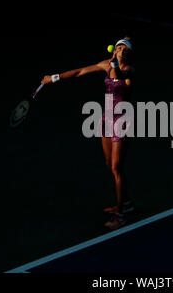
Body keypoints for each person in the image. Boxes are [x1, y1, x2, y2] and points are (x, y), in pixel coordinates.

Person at [41, 37, 135, 230]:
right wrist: (54, 77)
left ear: (128, 54)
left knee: (117, 167)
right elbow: (80, 72)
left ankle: (121, 215)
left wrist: (115, 65)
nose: (122, 50)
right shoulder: (105, 64)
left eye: (125, 48)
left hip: (121, 121)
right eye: (119, 47)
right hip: (106, 119)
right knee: (110, 164)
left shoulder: (129, 70)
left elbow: (120, 79)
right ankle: (126, 203)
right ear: (114, 51)